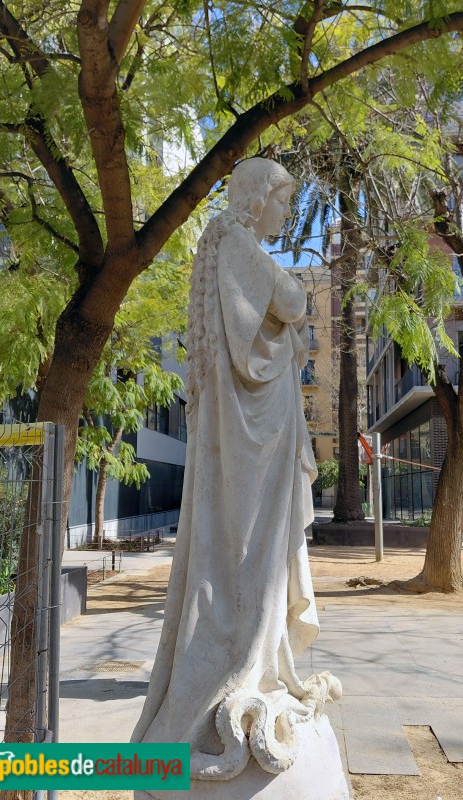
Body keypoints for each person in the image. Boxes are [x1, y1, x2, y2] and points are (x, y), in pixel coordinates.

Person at [131, 159, 340, 786]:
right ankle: (247, 655)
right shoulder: (238, 242)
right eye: (281, 201)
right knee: (253, 549)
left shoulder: (228, 243)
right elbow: (293, 300)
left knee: (260, 550)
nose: (286, 215)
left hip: (257, 427)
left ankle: (262, 649)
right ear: (256, 198)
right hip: (257, 432)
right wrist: (290, 306)